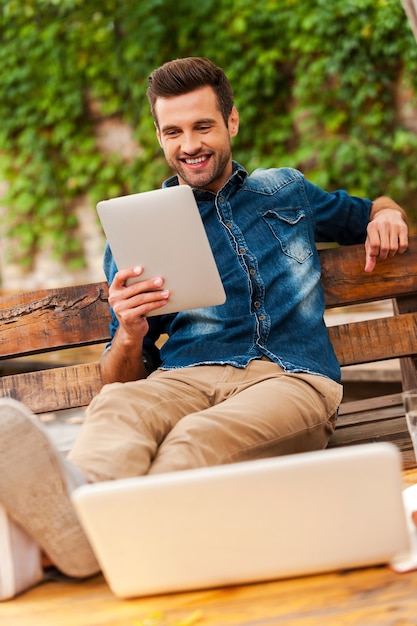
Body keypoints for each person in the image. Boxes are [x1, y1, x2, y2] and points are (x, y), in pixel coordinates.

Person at [0, 57, 409, 600]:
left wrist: (388, 214)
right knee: (117, 411)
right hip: (183, 379)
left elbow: (371, 208)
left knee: (192, 442)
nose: (189, 144)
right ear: (159, 136)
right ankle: (83, 530)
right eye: (173, 131)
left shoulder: (285, 190)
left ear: (231, 122)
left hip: (290, 379)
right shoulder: (137, 231)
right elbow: (120, 380)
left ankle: (68, 543)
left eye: (202, 126)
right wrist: (127, 330)